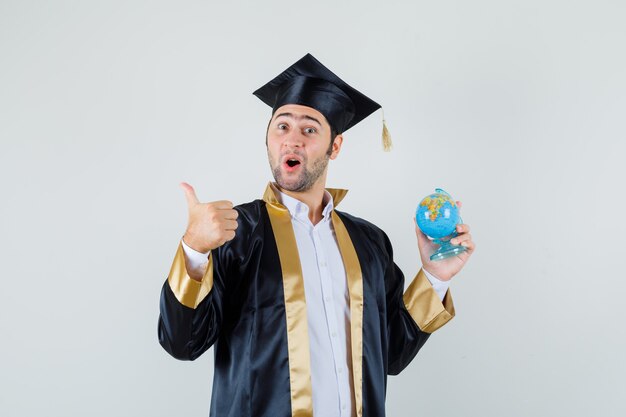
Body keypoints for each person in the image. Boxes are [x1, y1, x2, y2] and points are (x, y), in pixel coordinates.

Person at [158, 53, 475, 417]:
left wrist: (435, 276)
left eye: (309, 129)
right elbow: (182, 344)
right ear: (267, 138)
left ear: (334, 146)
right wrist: (194, 251)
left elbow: (392, 355)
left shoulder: (368, 242)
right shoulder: (234, 233)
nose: (292, 140)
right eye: (282, 126)